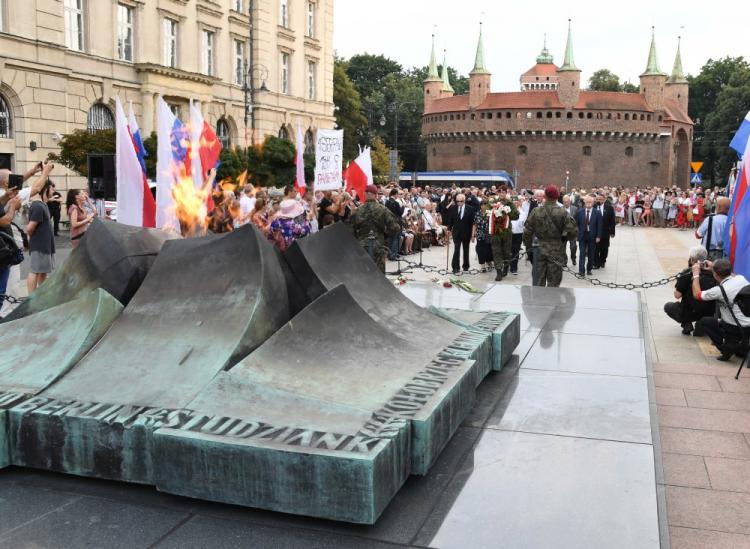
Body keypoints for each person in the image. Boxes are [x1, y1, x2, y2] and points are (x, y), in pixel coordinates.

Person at [693, 259, 750, 361]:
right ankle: (741, 347)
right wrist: (713, 267)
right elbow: (730, 274)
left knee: (705, 322)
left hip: (734, 327)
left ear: (715, 275)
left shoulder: (719, 290)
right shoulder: (741, 278)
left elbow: (697, 295)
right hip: (748, 325)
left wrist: (696, 275)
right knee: (722, 321)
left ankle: (726, 349)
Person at [522, 185, 576, 287]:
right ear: (557, 197)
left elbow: (527, 233)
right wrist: (563, 239)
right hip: (556, 251)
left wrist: (529, 249)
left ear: (545, 196)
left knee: (538, 282)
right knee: (554, 284)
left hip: (539, 249)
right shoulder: (563, 212)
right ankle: (552, 302)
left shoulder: (536, 211)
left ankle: (539, 302)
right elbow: (573, 232)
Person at [664, 246, 717, 335]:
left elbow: (677, 295)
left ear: (692, 259)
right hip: (708, 312)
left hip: (690, 310)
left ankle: (686, 322)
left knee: (668, 306)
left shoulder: (687, 273)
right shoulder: (714, 272)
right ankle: (701, 325)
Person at [350, 184, 401, 273]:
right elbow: (395, 227)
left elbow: (351, 228)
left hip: (362, 246)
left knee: (363, 273)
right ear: (376, 194)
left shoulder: (358, 210)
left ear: (365, 194)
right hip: (378, 245)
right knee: (379, 275)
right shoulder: (383, 209)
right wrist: (385, 234)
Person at [26, 182, 56, 293]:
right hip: (40, 246)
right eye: (52, 189)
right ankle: (31, 298)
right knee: (35, 271)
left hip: (45, 246)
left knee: (43, 271)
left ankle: (40, 295)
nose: (53, 192)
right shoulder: (38, 206)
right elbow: (29, 228)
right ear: (45, 189)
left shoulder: (42, 205)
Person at [488, 186, 519, 281]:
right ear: (498, 193)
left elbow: (516, 216)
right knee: (496, 251)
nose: (501, 194)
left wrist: (507, 212)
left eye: (503, 192)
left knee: (506, 252)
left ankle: (505, 267)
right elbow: (487, 213)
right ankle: (498, 272)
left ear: (506, 193)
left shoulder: (510, 203)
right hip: (495, 232)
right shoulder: (493, 203)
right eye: (500, 192)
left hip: (506, 232)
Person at [445, 193, 476, 274]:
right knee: (457, 249)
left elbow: (473, 223)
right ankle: (455, 267)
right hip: (456, 233)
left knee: (466, 250)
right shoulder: (453, 208)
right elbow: (450, 220)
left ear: (464, 201)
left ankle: (466, 266)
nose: (459, 203)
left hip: (466, 232)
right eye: (457, 201)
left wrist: (473, 235)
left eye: (461, 201)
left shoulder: (470, 209)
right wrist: (449, 229)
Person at [575, 195, 603, 276]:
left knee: (591, 254)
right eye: (587, 202)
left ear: (593, 203)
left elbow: (599, 225)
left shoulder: (597, 213)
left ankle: (589, 269)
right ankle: (581, 270)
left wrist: (598, 236)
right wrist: (577, 234)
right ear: (584, 202)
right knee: (582, 253)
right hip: (582, 236)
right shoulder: (580, 212)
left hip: (592, 236)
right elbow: (576, 224)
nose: (588, 203)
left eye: (590, 202)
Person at [595, 193, 616, 269]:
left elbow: (612, 221)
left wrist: (612, 232)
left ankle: (602, 261)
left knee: (604, 248)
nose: (598, 201)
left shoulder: (609, 208)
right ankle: (596, 262)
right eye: (597, 199)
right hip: (595, 232)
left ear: (604, 200)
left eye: (600, 199)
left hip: (605, 231)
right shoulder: (593, 207)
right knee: (596, 248)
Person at [472, 201, 493, 273]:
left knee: (488, 250)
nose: (484, 206)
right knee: (480, 250)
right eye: (482, 205)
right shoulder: (477, 214)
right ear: (480, 206)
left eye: (485, 205)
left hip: (488, 235)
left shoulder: (490, 213)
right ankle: (482, 266)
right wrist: (473, 235)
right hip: (480, 235)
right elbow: (475, 225)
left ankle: (489, 263)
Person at [385, 189, 404, 260]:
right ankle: (394, 255)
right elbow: (400, 213)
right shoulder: (396, 203)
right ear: (395, 194)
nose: (397, 196)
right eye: (397, 194)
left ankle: (389, 255)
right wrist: (403, 207)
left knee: (390, 239)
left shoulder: (387, 202)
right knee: (395, 239)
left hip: (389, 223)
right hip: (396, 223)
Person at [509, 195, 527, 275]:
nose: (515, 204)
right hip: (509, 234)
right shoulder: (507, 211)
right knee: (508, 251)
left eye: (516, 202)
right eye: (513, 203)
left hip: (518, 234)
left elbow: (524, 224)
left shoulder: (523, 213)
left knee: (515, 251)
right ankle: (507, 266)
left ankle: (514, 268)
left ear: (519, 203)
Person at [562, 195, 578, 265]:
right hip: (563, 232)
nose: (566, 203)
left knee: (573, 247)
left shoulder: (575, 209)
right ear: (563, 202)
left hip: (572, 232)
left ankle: (573, 258)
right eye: (565, 202)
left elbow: (578, 220)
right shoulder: (560, 209)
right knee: (562, 247)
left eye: (567, 202)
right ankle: (564, 260)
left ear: (570, 201)